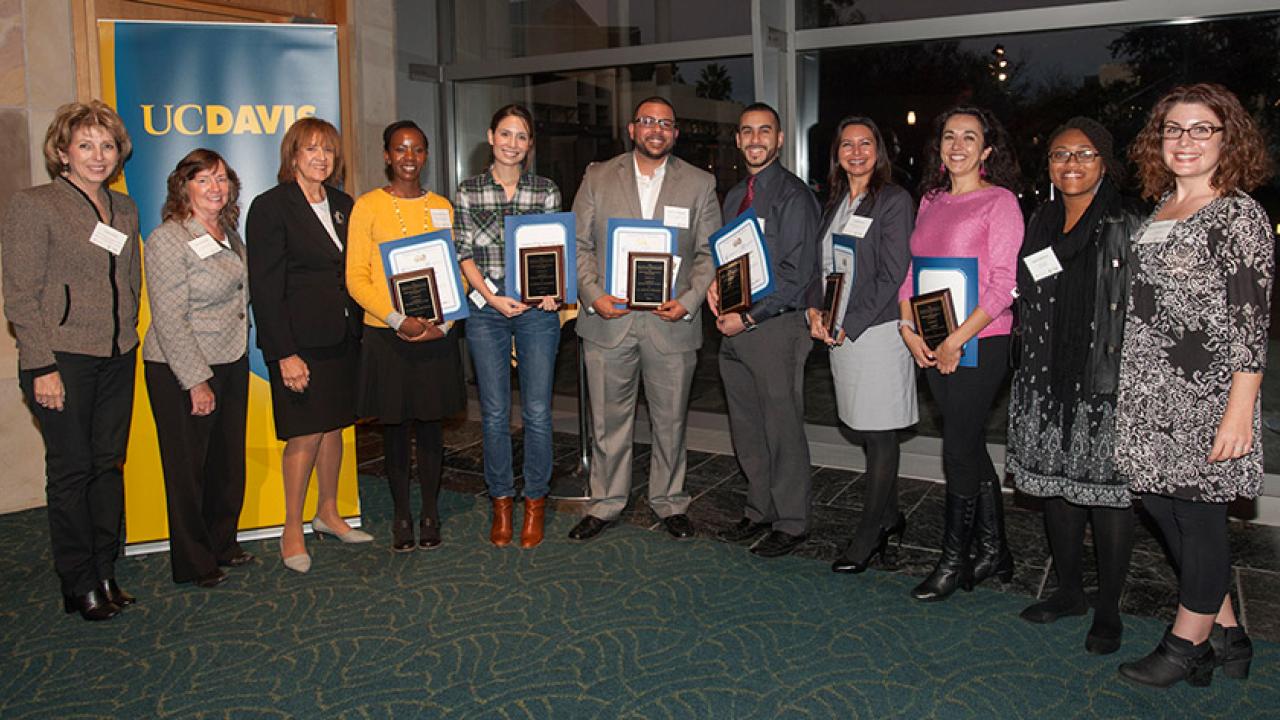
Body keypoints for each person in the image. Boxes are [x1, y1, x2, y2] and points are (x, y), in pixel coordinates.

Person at [1115, 83, 1272, 688]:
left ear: (1227, 137)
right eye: (1174, 129)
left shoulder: (1238, 214)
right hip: (1151, 393)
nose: (1186, 141)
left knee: (1200, 519)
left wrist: (1239, 413)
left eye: (1202, 128)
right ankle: (1226, 631)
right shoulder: (1159, 209)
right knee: (1159, 503)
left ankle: (1186, 644)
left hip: (1208, 396)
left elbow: (1249, 325)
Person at [1007, 118, 1143, 655]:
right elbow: (1026, 286)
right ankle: (1068, 592)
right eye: (1061, 154)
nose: (1071, 164)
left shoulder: (1128, 220)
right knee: (1053, 489)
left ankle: (1108, 609)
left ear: (1104, 163)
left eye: (1084, 154)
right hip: (1043, 375)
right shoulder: (1041, 218)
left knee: (1109, 499)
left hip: (1106, 379)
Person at [1, 101, 141, 620]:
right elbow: (20, 293)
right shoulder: (34, 206)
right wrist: (41, 365)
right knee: (71, 470)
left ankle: (105, 570)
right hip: (61, 359)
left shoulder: (124, 208)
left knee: (107, 467)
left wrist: (128, 334)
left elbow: (130, 281)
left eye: (106, 145)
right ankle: (77, 581)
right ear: (63, 152)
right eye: (85, 145)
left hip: (118, 354)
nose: (98, 155)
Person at [568, 96, 720, 542]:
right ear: (632, 129)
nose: (657, 130)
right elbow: (578, 244)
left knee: (670, 421)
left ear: (676, 133)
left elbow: (710, 252)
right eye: (648, 122)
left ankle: (669, 500)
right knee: (606, 420)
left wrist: (690, 300)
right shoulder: (597, 177)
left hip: (670, 322)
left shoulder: (699, 183)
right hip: (608, 321)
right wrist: (594, 296)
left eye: (666, 124)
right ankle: (605, 502)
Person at [897, 106, 1023, 602]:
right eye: (950, 136)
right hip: (931, 340)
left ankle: (953, 561)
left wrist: (956, 339)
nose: (958, 145)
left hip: (983, 342)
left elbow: (1004, 285)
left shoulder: (1000, 203)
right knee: (968, 444)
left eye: (970, 137)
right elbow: (912, 272)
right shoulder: (929, 200)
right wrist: (909, 329)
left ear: (987, 149)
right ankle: (994, 551)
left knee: (956, 447)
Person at [247, 118, 369, 575]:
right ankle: (292, 528)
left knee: (334, 427)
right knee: (305, 432)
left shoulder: (343, 204)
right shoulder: (270, 207)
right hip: (299, 343)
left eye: (328, 151)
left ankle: (329, 512)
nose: (320, 158)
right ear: (293, 155)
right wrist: (283, 353)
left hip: (343, 337)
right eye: (311, 149)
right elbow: (265, 286)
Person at [803, 116, 917, 573]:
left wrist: (848, 322)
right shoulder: (835, 200)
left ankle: (868, 535)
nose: (855, 151)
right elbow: (822, 266)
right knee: (865, 429)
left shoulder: (892, 200)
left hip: (877, 332)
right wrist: (815, 310)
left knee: (881, 431)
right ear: (837, 153)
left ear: (879, 150)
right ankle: (889, 519)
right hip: (840, 331)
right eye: (846, 144)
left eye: (864, 143)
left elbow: (892, 275)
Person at [347, 120, 465, 553]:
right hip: (388, 336)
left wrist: (444, 322)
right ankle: (401, 514)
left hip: (436, 334)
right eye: (400, 149)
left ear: (426, 155)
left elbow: (458, 270)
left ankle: (430, 512)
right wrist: (400, 320)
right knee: (395, 430)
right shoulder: (368, 207)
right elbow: (357, 279)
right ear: (386, 155)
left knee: (432, 428)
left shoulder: (442, 207)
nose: (409, 157)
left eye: (417, 149)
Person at [709, 103, 821, 558]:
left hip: (775, 326)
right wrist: (718, 289)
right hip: (734, 328)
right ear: (738, 140)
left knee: (782, 428)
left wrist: (749, 316)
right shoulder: (735, 196)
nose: (755, 139)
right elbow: (731, 259)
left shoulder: (795, 197)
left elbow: (798, 275)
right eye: (747, 132)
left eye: (765, 132)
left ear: (778, 140)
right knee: (748, 426)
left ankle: (792, 521)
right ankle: (759, 511)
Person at [142, 149, 252, 588]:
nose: (215, 188)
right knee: (187, 470)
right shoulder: (168, 238)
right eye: (203, 179)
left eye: (222, 179)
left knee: (226, 463)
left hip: (231, 358)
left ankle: (222, 542)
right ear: (183, 186)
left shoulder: (227, 231)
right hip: (181, 368)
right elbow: (169, 317)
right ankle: (193, 561)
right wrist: (196, 381)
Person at [454, 104, 562, 549]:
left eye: (521, 136)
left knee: (537, 411)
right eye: (505, 134)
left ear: (530, 144)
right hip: (486, 309)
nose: (512, 144)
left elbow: (556, 248)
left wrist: (556, 290)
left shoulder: (546, 191)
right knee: (495, 413)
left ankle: (534, 500)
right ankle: (501, 501)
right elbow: (462, 252)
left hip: (539, 310)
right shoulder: (467, 191)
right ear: (490, 136)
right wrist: (493, 298)